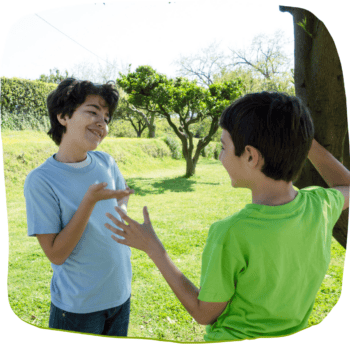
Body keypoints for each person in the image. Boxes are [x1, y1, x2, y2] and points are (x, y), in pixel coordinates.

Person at [104, 91, 349, 341]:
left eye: (223, 147)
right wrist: (304, 142)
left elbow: (204, 313)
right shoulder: (320, 207)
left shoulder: (231, 233)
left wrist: (153, 247)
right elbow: (347, 185)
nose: (220, 157)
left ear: (251, 156)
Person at [24, 78, 135, 336]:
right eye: (93, 112)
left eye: (106, 118)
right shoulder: (41, 180)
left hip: (120, 295)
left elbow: (122, 196)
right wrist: (88, 202)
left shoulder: (106, 161)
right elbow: (56, 254)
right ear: (63, 116)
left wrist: (122, 214)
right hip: (78, 308)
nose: (102, 123)